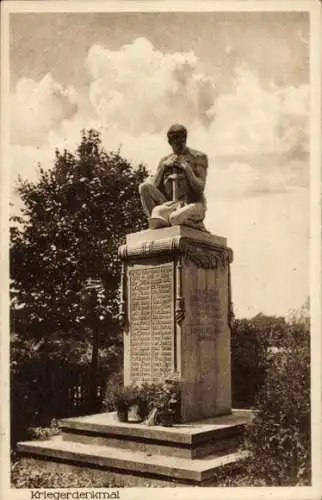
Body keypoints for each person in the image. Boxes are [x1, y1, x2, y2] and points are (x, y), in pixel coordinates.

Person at [139, 124, 208, 231]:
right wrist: (163, 167)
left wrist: (187, 169)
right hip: (172, 205)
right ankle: (159, 223)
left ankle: (196, 225)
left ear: (185, 139)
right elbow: (153, 188)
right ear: (170, 143)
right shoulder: (164, 161)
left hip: (192, 205)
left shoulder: (198, 157)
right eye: (176, 143)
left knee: (175, 218)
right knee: (144, 187)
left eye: (182, 142)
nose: (180, 146)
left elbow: (200, 188)